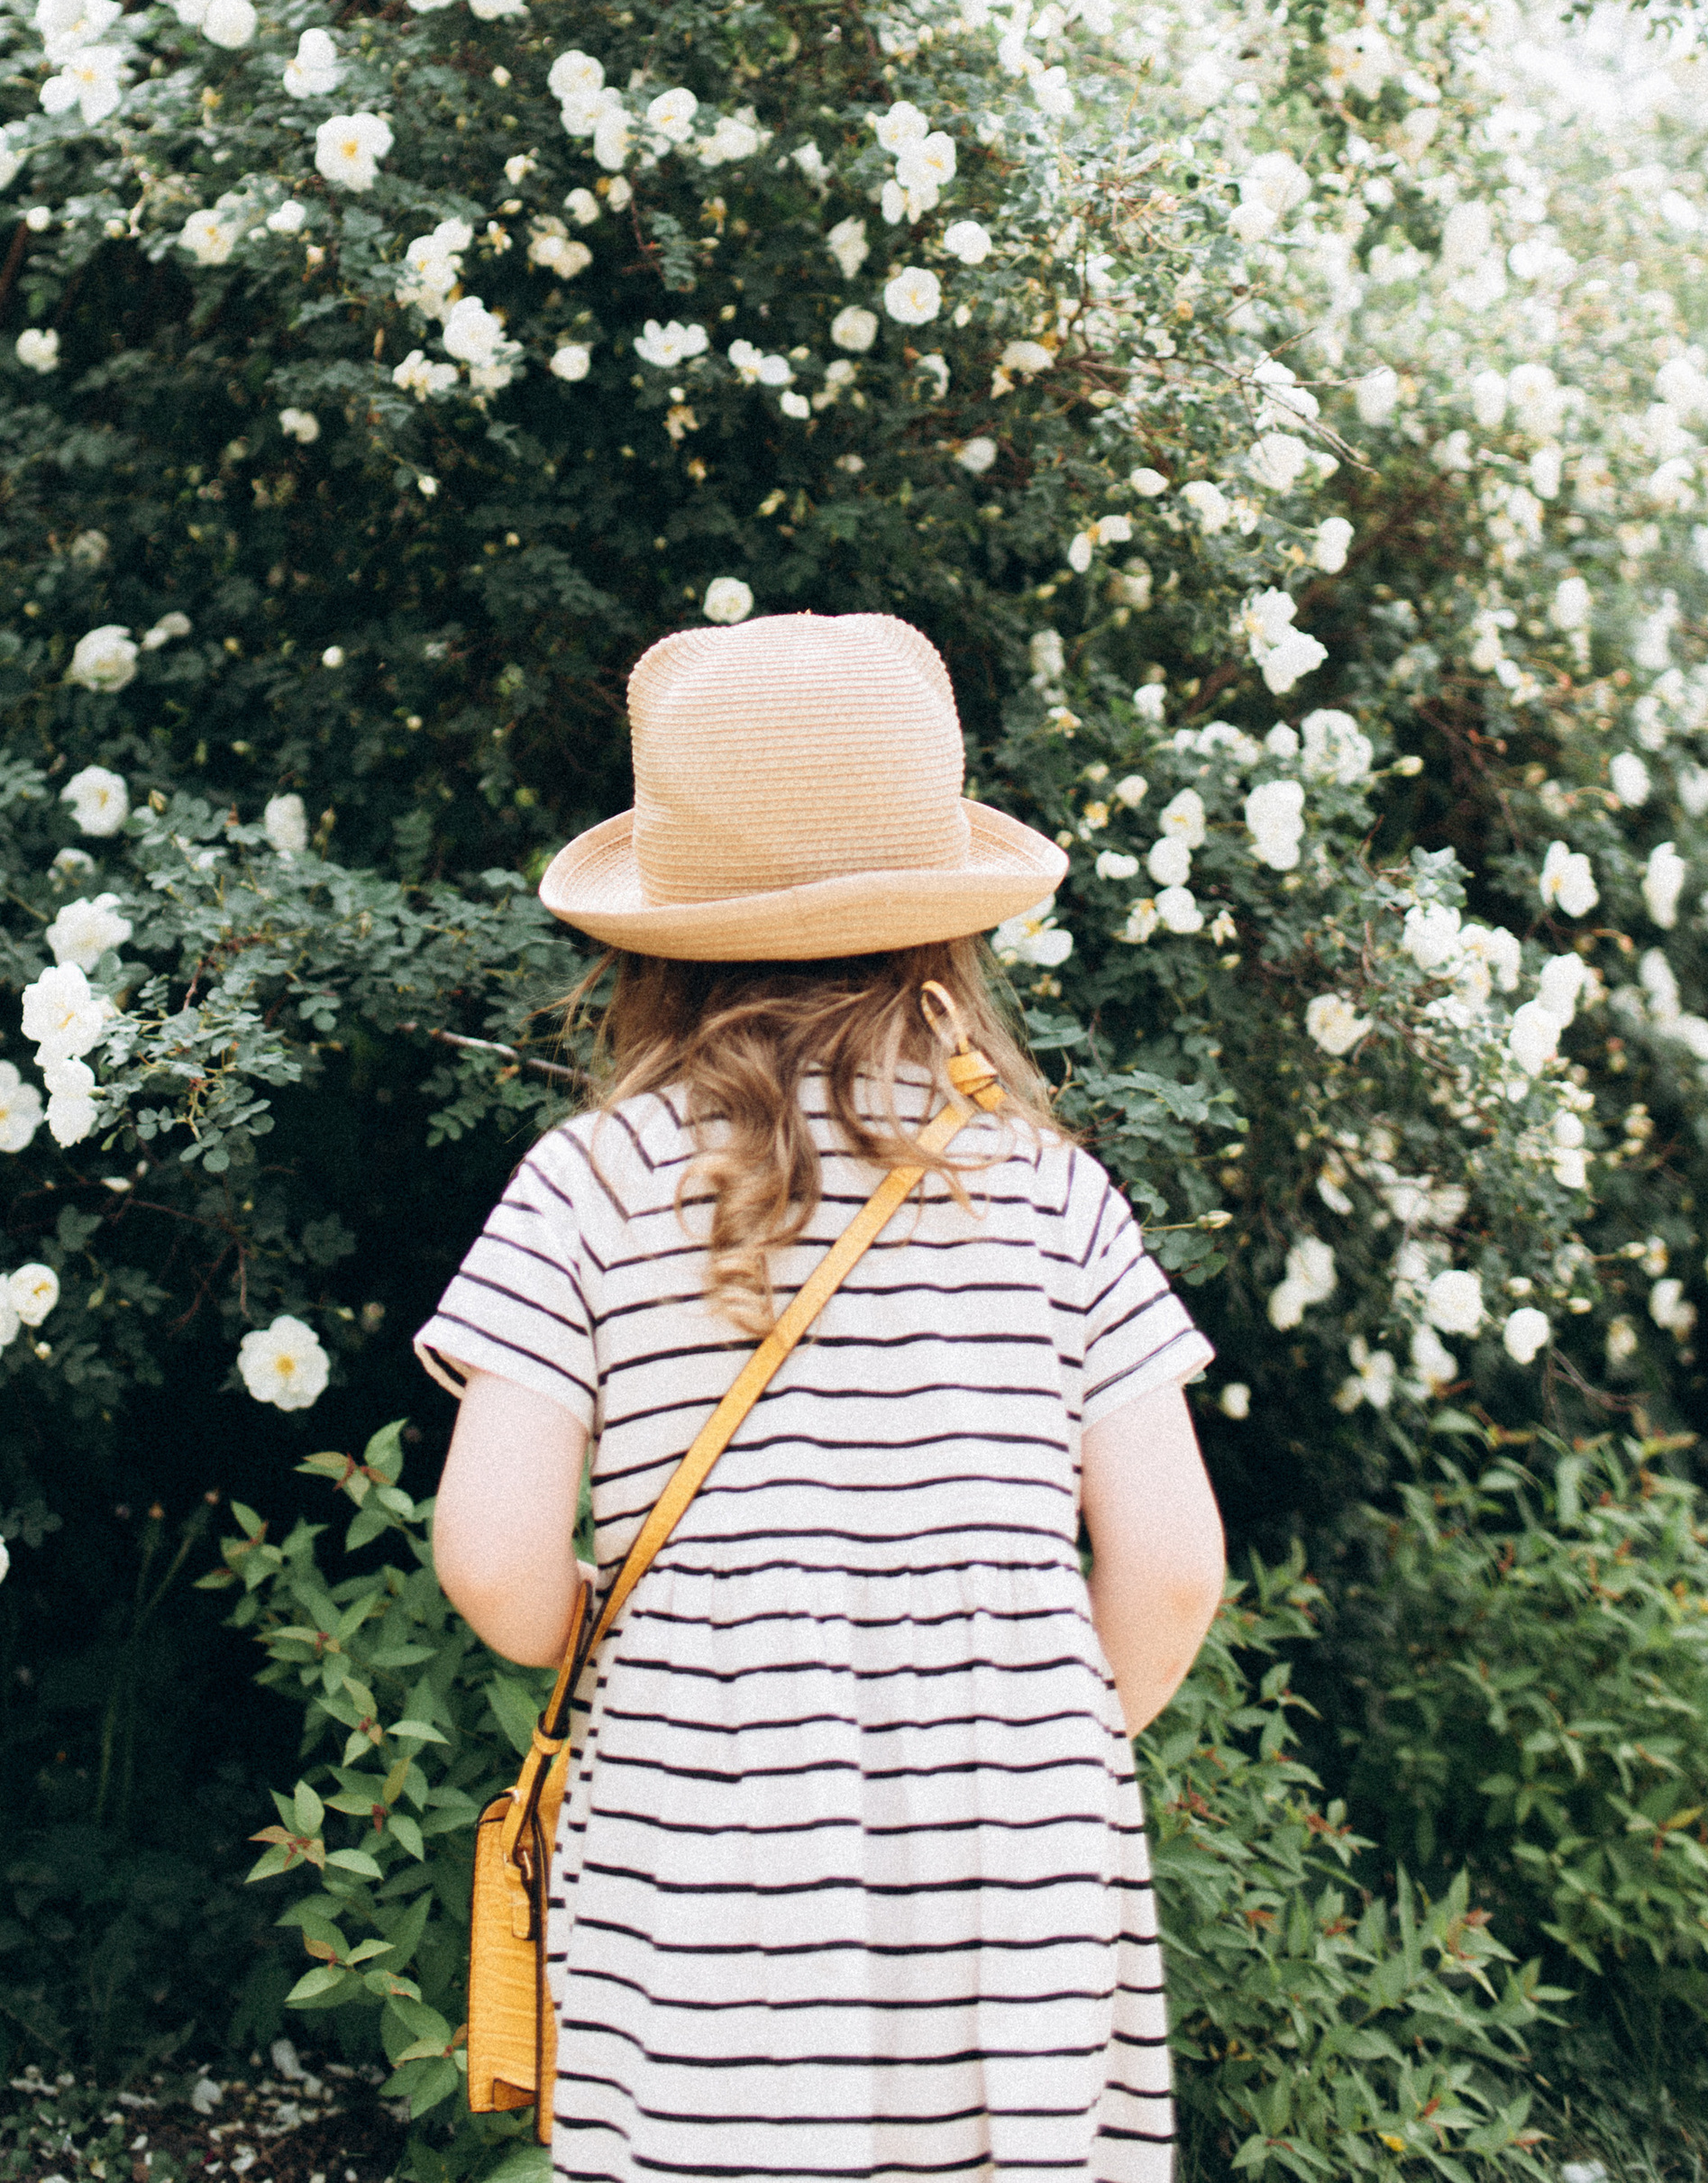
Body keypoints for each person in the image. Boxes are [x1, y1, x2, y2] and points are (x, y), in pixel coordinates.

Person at [418, 609, 1226, 2183]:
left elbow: (494, 1558)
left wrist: (647, 1654)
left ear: (651, 939)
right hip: (1021, 1865)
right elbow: (1177, 1564)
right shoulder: (1053, 1195)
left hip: (706, 1842)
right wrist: (1028, 1731)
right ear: (946, 927)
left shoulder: (587, 1182)